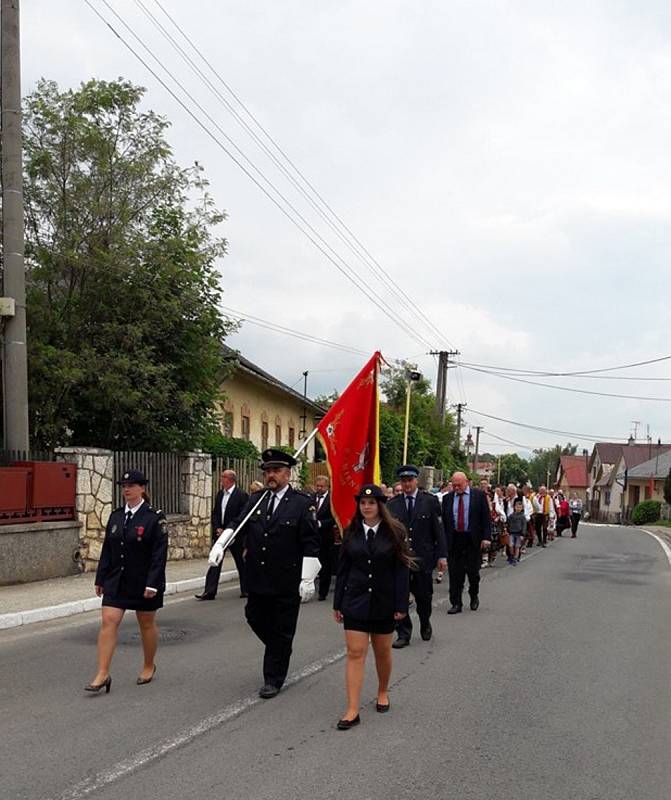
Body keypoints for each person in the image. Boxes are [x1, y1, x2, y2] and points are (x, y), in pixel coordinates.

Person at [208, 449, 320, 699]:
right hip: (258, 575)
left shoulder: (302, 503)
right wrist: (221, 544)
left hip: (286, 578)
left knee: (282, 628)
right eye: (268, 471)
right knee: (254, 616)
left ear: (288, 474)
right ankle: (280, 649)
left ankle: (273, 677)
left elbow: (310, 542)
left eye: (276, 471)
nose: (271, 475)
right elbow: (238, 522)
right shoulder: (256, 499)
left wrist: (308, 577)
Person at [333, 484, 412, 730]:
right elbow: (343, 569)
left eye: (371, 503)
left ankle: (382, 691)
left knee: (382, 652)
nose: (366, 507)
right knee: (355, 653)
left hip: (383, 601)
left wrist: (401, 603)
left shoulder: (394, 532)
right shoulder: (351, 531)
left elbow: (401, 571)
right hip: (355, 600)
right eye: (363, 503)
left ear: (380, 505)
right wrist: (338, 603)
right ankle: (352, 709)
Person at [85, 470, 168, 693]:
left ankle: (149, 665)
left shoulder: (154, 517)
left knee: (146, 623)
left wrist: (153, 583)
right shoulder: (116, 515)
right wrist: (100, 578)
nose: (127, 490)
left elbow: (159, 554)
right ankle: (102, 673)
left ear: (142, 488)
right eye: (124, 486)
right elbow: (108, 550)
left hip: (143, 581)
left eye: (132, 485)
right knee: (108, 621)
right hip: (117, 579)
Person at [386, 465, 446, 647]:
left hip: (423, 558)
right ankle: (403, 633)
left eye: (410, 480)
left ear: (416, 481)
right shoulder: (392, 504)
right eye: (403, 481)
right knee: (400, 595)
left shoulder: (430, 501)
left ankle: (425, 621)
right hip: (401, 558)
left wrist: (442, 556)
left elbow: (438, 530)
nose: (407, 484)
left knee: (423, 596)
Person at [442, 471, 491, 614]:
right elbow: (445, 523)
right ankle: (456, 603)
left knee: (473, 572)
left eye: (459, 485)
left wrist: (486, 537)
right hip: (455, 539)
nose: (456, 488)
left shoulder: (479, 496)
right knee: (455, 573)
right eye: (454, 485)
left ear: (466, 482)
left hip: (472, 539)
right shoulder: (448, 499)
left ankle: (473, 594)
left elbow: (486, 518)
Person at [195, 470, 249, 601]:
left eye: (223, 477)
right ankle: (209, 591)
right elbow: (215, 513)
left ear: (230, 479)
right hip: (221, 534)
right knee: (215, 561)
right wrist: (218, 527)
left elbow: (242, 516)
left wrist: (229, 530)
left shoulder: (241, 495)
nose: (221, 479)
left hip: (235, 534)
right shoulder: (220, 494)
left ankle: (246, 589)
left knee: (241, 563)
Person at [314, 475, 337, 601]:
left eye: (321, 486)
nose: (319, 488)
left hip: (326, 537)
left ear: (327, 486)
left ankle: (323, 591)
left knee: (325, 565)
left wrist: (321, 523)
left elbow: (334, 518)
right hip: (313, 537)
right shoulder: (311, 498)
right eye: (317, 486)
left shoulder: (331, 500)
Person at [507, 498, 526, 564]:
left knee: (517, 546)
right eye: (517, 507)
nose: (518, 508)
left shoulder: (523, 516)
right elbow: (508, 523)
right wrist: (507, 530)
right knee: (511, 545)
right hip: (511, 532)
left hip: (519, 533)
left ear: (522, 508)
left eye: (520, 507)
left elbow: (524, 525)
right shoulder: (511, 516)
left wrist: (523, 534)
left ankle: (515, 558)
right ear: (514, 507)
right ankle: (512, 555)